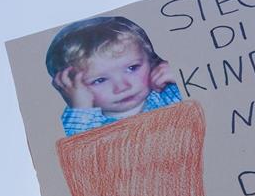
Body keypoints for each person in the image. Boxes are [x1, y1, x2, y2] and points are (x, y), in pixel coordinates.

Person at [46, 16, 182, 137]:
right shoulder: (83, 122)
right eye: (99, 80)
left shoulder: (168, 94)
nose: (122, 87)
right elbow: (79, 153)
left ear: (150, 60)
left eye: (132, 68)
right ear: (72, 89)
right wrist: (81, 107)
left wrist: (181, 75)